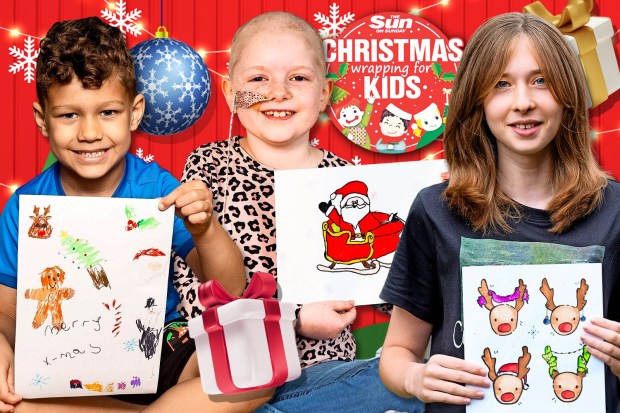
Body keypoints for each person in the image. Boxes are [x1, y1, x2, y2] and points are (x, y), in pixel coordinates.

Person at [0, 17, 271, 413]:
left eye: (107, 112)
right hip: (61, 366)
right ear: (43, 119)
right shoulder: (25, 207)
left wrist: (205, 229)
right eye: (69, 115)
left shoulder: (158, 191)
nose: (90, 132)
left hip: (159, 350)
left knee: (255, 371)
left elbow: (229, 286)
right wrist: (1, 343)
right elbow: (7, 311)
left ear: (134, 112)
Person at [177, 11, 424, 413]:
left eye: (299, 78)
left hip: (329, 377)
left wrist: (428, 218)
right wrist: (293, 319)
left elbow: (390, 293)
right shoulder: (208, 167)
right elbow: (200, 296)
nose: (278, 93)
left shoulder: (347, 180)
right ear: (230, 92)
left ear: (325, 94)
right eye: (258, 79)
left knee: (420, 377)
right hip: (236, 382)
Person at [378, 12, 620, 413]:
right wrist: (414, 378)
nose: (523, 102)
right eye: (501, 85)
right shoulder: (435, 210)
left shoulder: (614, 210)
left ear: (568, 95)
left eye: (541, 81)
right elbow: (397, 352)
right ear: (478, 100)